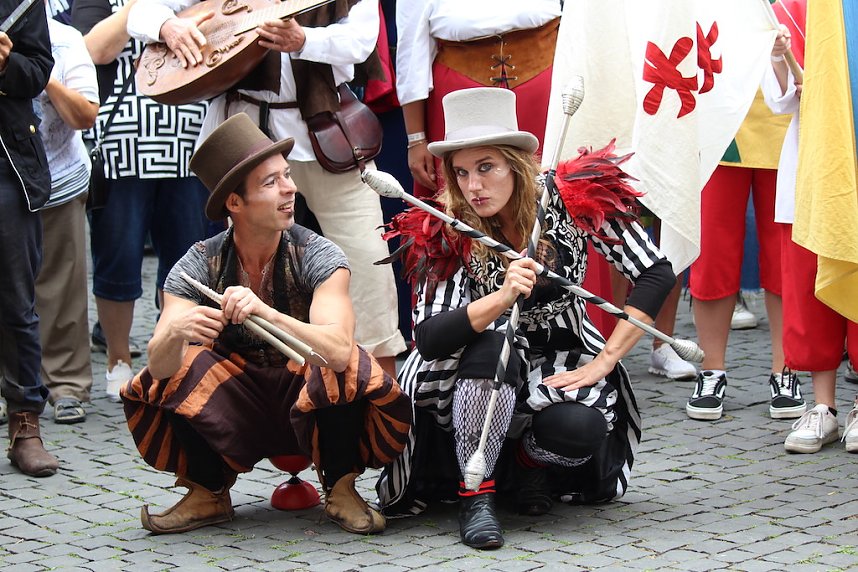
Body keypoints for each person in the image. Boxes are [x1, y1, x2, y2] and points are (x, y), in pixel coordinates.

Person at [375, 88, 675, 549]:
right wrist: (500, 297)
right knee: (495, 343)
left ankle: (525, 467)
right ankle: (476, 494)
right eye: (461, 172)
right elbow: (432, 337)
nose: (473, 186)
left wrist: (605, 362)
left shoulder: (569, 199)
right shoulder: (448, 222)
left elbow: (654, 272)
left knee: (579, 428)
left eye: (486, 168)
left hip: (561, 349)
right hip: (466, 366)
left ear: (515, 164)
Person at [120, 113, 413, 535]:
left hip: (305, 400)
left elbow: (336, 349)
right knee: (167, 366)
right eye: (270, 182)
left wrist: (267, 313)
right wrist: (175, 333)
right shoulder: (196, 265)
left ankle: (342, 486)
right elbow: (161, 369)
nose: (290, 188)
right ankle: (208, 491)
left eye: (287, 176)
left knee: (347, 364)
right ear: (234, 203)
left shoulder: (320, 255)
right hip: (235, 407)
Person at [127, 0, 407, 376]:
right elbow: (141, 10)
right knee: (247, 265)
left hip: (327, 130)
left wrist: (303, 38)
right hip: (245, 137)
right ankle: (252, 379)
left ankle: (380, 394)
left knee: (368, 259)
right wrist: (167, 27)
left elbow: (360, 41)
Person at [71, 0, 212, 404]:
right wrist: (143, 10)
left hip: (188, 142)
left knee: (187, 265)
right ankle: (118, 359)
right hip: (123, 146)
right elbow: (93, 49)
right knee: (117, 259)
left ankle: (172, 359)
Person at [762, 17, 858, 454]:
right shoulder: (797, 9)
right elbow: (778, 100)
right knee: (807, 291)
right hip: (812, 170)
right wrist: (781, 55)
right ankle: (823, 407)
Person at [685, 86, 799, 421]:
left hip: (783, 117)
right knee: (712, 253)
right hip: (719, 113)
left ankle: (786, 369)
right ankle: (711, 370)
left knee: (784, 254)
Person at [0, 0, 60, 476]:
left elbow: (37, 70)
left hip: (6, 167)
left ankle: (25, 424)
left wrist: (5, 62)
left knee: (16, 303)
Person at [35, 1, 100, 424]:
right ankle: (13, 385)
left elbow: (85, 115)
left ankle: (67, 385)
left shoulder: (64, 40)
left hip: (58, 177)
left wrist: (40, 76)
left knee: (62, 286)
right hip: (5, 180)